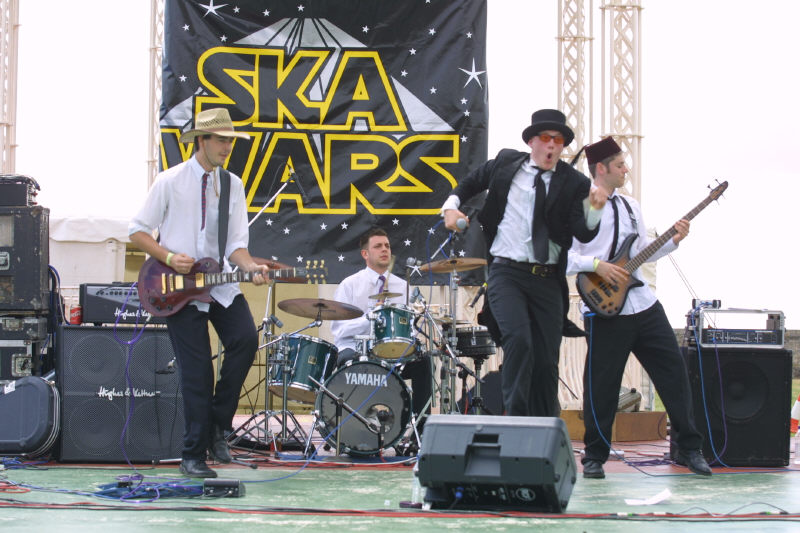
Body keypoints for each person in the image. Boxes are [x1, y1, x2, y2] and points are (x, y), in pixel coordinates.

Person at [129, 108, 269, 478]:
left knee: (245, 340)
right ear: (201, 141)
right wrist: (168, 257)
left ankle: (217, 425)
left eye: (230, 141)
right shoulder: (170, 180)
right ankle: (193, 454)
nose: (227, 147)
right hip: (177, 288)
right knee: (197, 372)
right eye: (221, 140)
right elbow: (137, 230)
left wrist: (251, 267)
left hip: (219, 283)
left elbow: (236, 245)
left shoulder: (233, 185)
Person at [441, 109, 607, 417]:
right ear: (532, 141)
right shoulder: (506, 163)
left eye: (558, 141)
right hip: (507, 272)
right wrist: (451, 207)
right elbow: (471, 182)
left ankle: (545, 426)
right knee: (519, 340)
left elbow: (583, 231)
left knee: (545, 360)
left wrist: (594, 209)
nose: (552, 145)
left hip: (547, 278)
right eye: (545, 138)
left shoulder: (575, 183)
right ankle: (515, 421)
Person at [567, 136, 711, 479]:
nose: (625, 170)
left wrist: (673, 241)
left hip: (643, 304)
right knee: (601, 385)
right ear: (601, 169)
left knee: (674, 374)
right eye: (620, 165)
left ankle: (690, 449)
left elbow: (640, 250)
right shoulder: (579, 207)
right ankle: (595, 456)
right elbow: (564, 256)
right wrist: (597, 266)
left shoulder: (631, 206)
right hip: (604, 307)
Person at [330, 227, 432, 442]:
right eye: (378, 246)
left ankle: (421, 431)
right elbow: (339, 330)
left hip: (391, 353)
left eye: (387, 246)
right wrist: (370, 318)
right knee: (346, 360)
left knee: (424, 362)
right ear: (365, 254)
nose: (384, 249)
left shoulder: (402, 286)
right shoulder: (350, 285)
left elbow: (408, 327)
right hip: (356, 350)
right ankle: (350, 430)